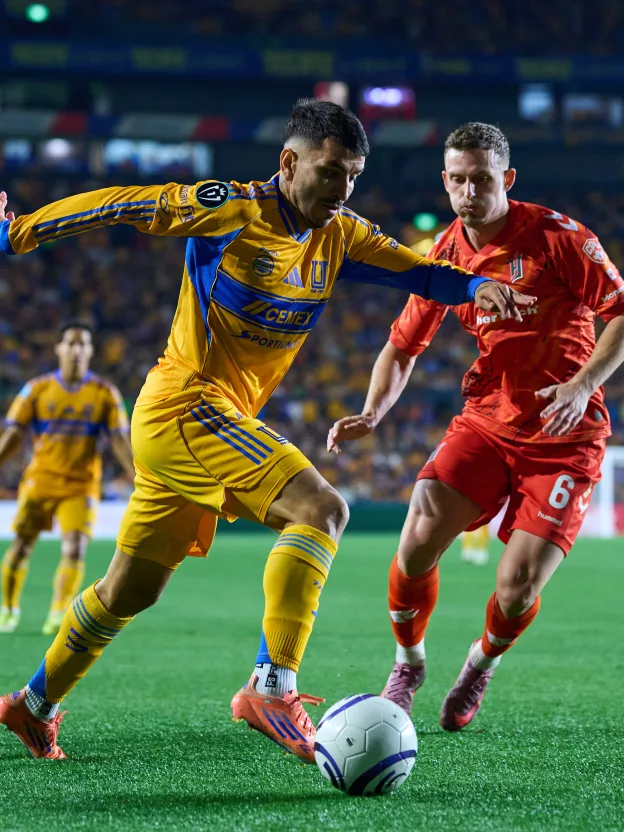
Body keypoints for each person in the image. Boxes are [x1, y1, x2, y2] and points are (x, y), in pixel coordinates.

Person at [0, 102, 532, 762]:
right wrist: (16, 234)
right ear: (288, 162)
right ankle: (271, 686)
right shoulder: (231, 210)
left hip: (204, 424)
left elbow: (418, 271)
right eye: (330, 171)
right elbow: (123, 204)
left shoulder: (340, 234)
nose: (342, 189)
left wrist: (474, 287)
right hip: (185, 404)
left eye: (354, 176)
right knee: (322, 509)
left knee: (129, 589)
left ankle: (33, 704)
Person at [327, 121, 624, 731]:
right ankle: (408, 665)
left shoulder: (558, 237)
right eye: (459, 180)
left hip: (564, 435)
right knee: (417, 536)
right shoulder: (444, 253)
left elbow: (621, 311)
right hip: (487, 422)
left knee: (518, 586)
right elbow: (403, 346)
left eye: (482, 180)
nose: (469, 192)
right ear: (445, 181)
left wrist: (581, 385)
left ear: (507, 178)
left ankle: (480, 664)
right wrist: (373, 411)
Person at [0, 322, 134, 636]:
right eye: (70, 343)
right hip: (40, 480)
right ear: (59, 348)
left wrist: (137, 476)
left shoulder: (104, 392)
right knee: (21, 546)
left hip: (81, 485)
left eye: (82, 344)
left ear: (90, 351)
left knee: (75, 548)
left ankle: (58, 612)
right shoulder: (37, 389)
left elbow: (118, 439)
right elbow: (14, 434)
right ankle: (8, 608)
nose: (76, 349)